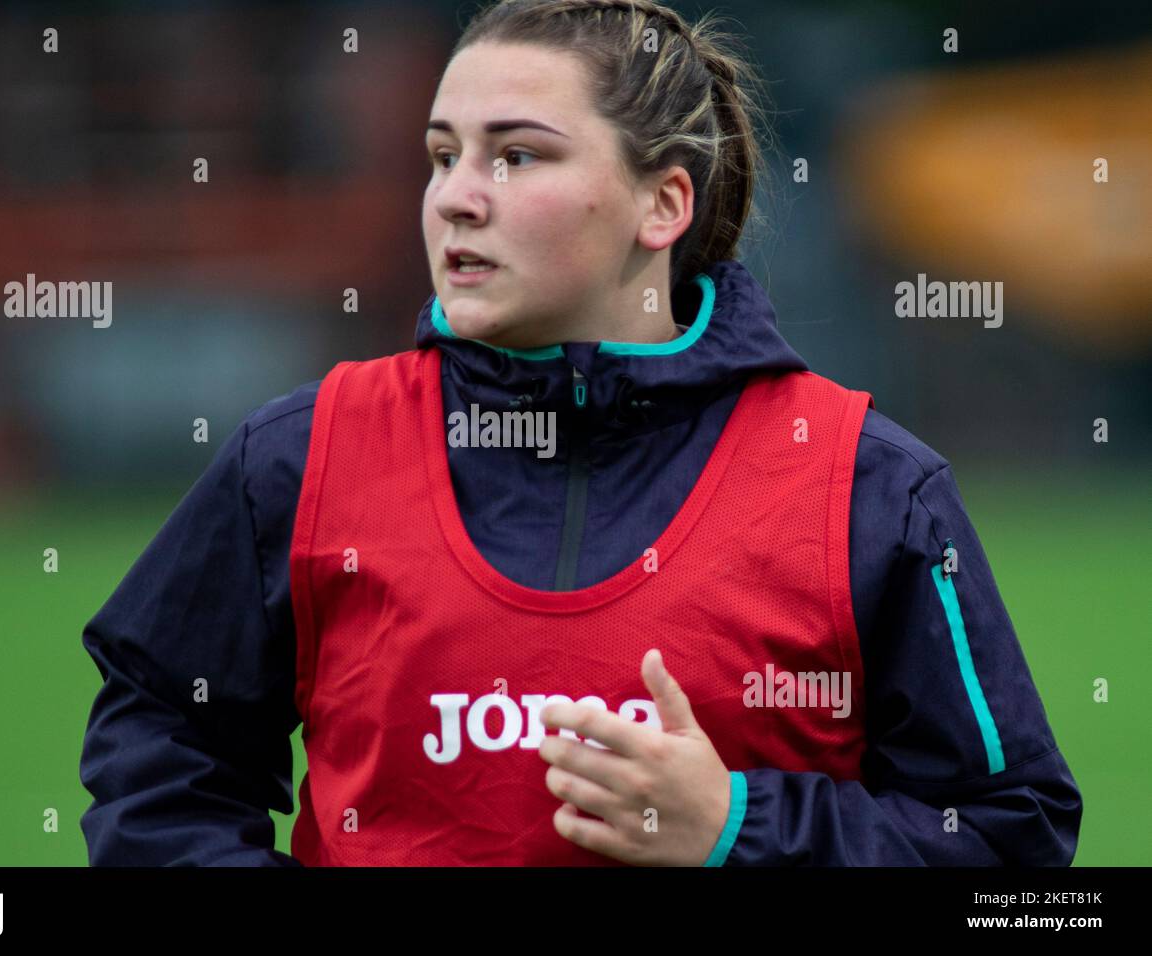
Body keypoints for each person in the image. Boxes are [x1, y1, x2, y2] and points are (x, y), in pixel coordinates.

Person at [78, 0, 1081, 866]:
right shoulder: (298, 458)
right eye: (441, 156)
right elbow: (163, 747)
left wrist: (738, 823)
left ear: (663, 202)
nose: (456, 197)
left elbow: (1011, 840)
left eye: (517, 155)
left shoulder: (866, 487)